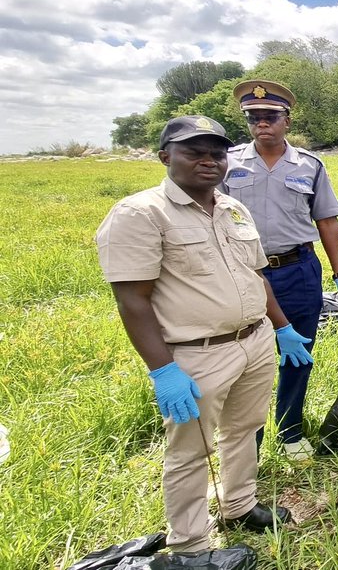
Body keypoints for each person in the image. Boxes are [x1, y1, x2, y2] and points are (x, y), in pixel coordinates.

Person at [96, 115, 300, 551]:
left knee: (244, 429)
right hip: (197, 352)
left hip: (255, 341)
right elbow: (133, 301)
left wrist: (281, 328)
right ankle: (190, 543)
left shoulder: (232, 208)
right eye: (194, 152)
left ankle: (239, 505)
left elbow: (257, 275)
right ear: (166, 156)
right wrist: (163, 370)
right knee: (191, 451)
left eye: (217, 153)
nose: (209, 161)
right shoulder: (141, 213)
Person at [222, 79, 338, 462]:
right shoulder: (228, 162)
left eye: (270, 116)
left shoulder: (309, 166)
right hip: (243, 272)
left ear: (287, 120)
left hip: (297, 268)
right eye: (253, 117)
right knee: (246, 357)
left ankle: (290, 429)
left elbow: (327, 222)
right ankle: (249, 440)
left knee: (297, 354)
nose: (261, 123)